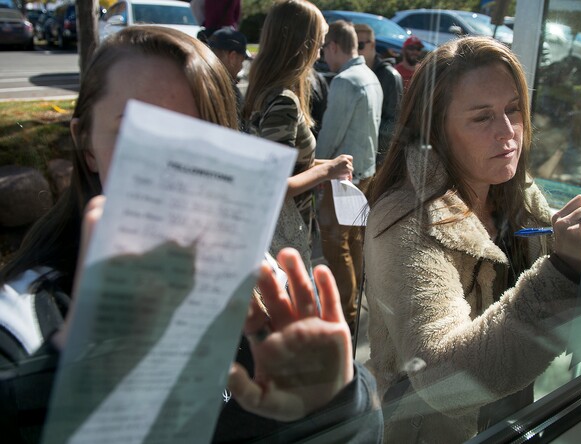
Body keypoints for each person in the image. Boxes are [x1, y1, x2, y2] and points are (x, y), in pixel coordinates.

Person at [0, 26, 382, 444]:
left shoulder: (264, 283)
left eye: (203, 136)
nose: (175, 163)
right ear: (86, 144)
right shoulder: (26, 318)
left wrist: (338, 406)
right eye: (139, 132)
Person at [364, 36, 581, 442]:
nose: (508, 133)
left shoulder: (518, 195)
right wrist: (562, 270)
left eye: (513, 110)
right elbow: (443, 382)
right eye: (482, 117)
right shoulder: (404, 219)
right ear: (436, 131)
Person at [243, 0, 354, 269]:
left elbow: (287, 165)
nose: (319, 53)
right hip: (283, 235)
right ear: (301, 45)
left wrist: (328, 165)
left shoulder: (264, 93)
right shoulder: (283, 101)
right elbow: (276, 185)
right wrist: (328, 171)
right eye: (318, 43)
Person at [315, 20, 382, 331]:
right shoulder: (370, 76)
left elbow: (330, 136)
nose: (323, 56)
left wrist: (314, 170)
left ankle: (345, 314)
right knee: (353, 241)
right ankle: (352, 309)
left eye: (324, 49)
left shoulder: (345, 81)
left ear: (334, 47)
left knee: (334, 243)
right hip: (365, 172)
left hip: (343, 178)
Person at [354, 23, 403, 166]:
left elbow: (395, 121)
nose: (355, 50)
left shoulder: (390, 76)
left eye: (360, 45)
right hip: (356, 156)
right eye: (351, 45)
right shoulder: (352, 74)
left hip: (377, 158)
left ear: (372, 44)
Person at [207, 27, 250, 123]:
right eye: (242, 60)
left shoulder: (198, 81)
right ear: (233, 57)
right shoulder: (228, 91)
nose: (241, 66)